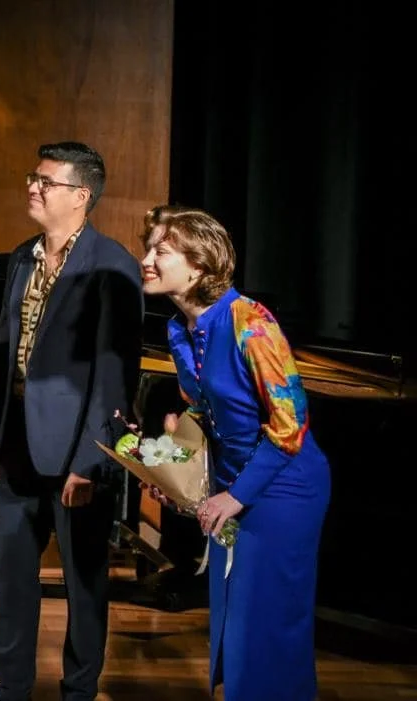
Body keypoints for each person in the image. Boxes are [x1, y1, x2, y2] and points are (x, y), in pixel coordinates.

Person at [0, 141, 143, 701]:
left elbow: (113, 378)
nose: (33, 187)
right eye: (32, 177)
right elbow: (0, 354)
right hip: (17, 444)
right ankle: (11, 689)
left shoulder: (111, 266)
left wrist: (90, 463)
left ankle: (78, 692)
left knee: (84, 583)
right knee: (14, 581)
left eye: (46, 181)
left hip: (77, 455)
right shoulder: (21, 257)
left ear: (81, 196)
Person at [139, 205, 330, 701]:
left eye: (162, 251)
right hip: (231, 487)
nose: (147, 260)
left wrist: (234, 496)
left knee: (264, 626)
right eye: (149, 249)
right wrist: (168, 466)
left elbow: (290, 425)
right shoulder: (180, 329)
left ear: (199, 265)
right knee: (231, 625)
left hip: (283, 487)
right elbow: (205, 413)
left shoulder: (250, 320)